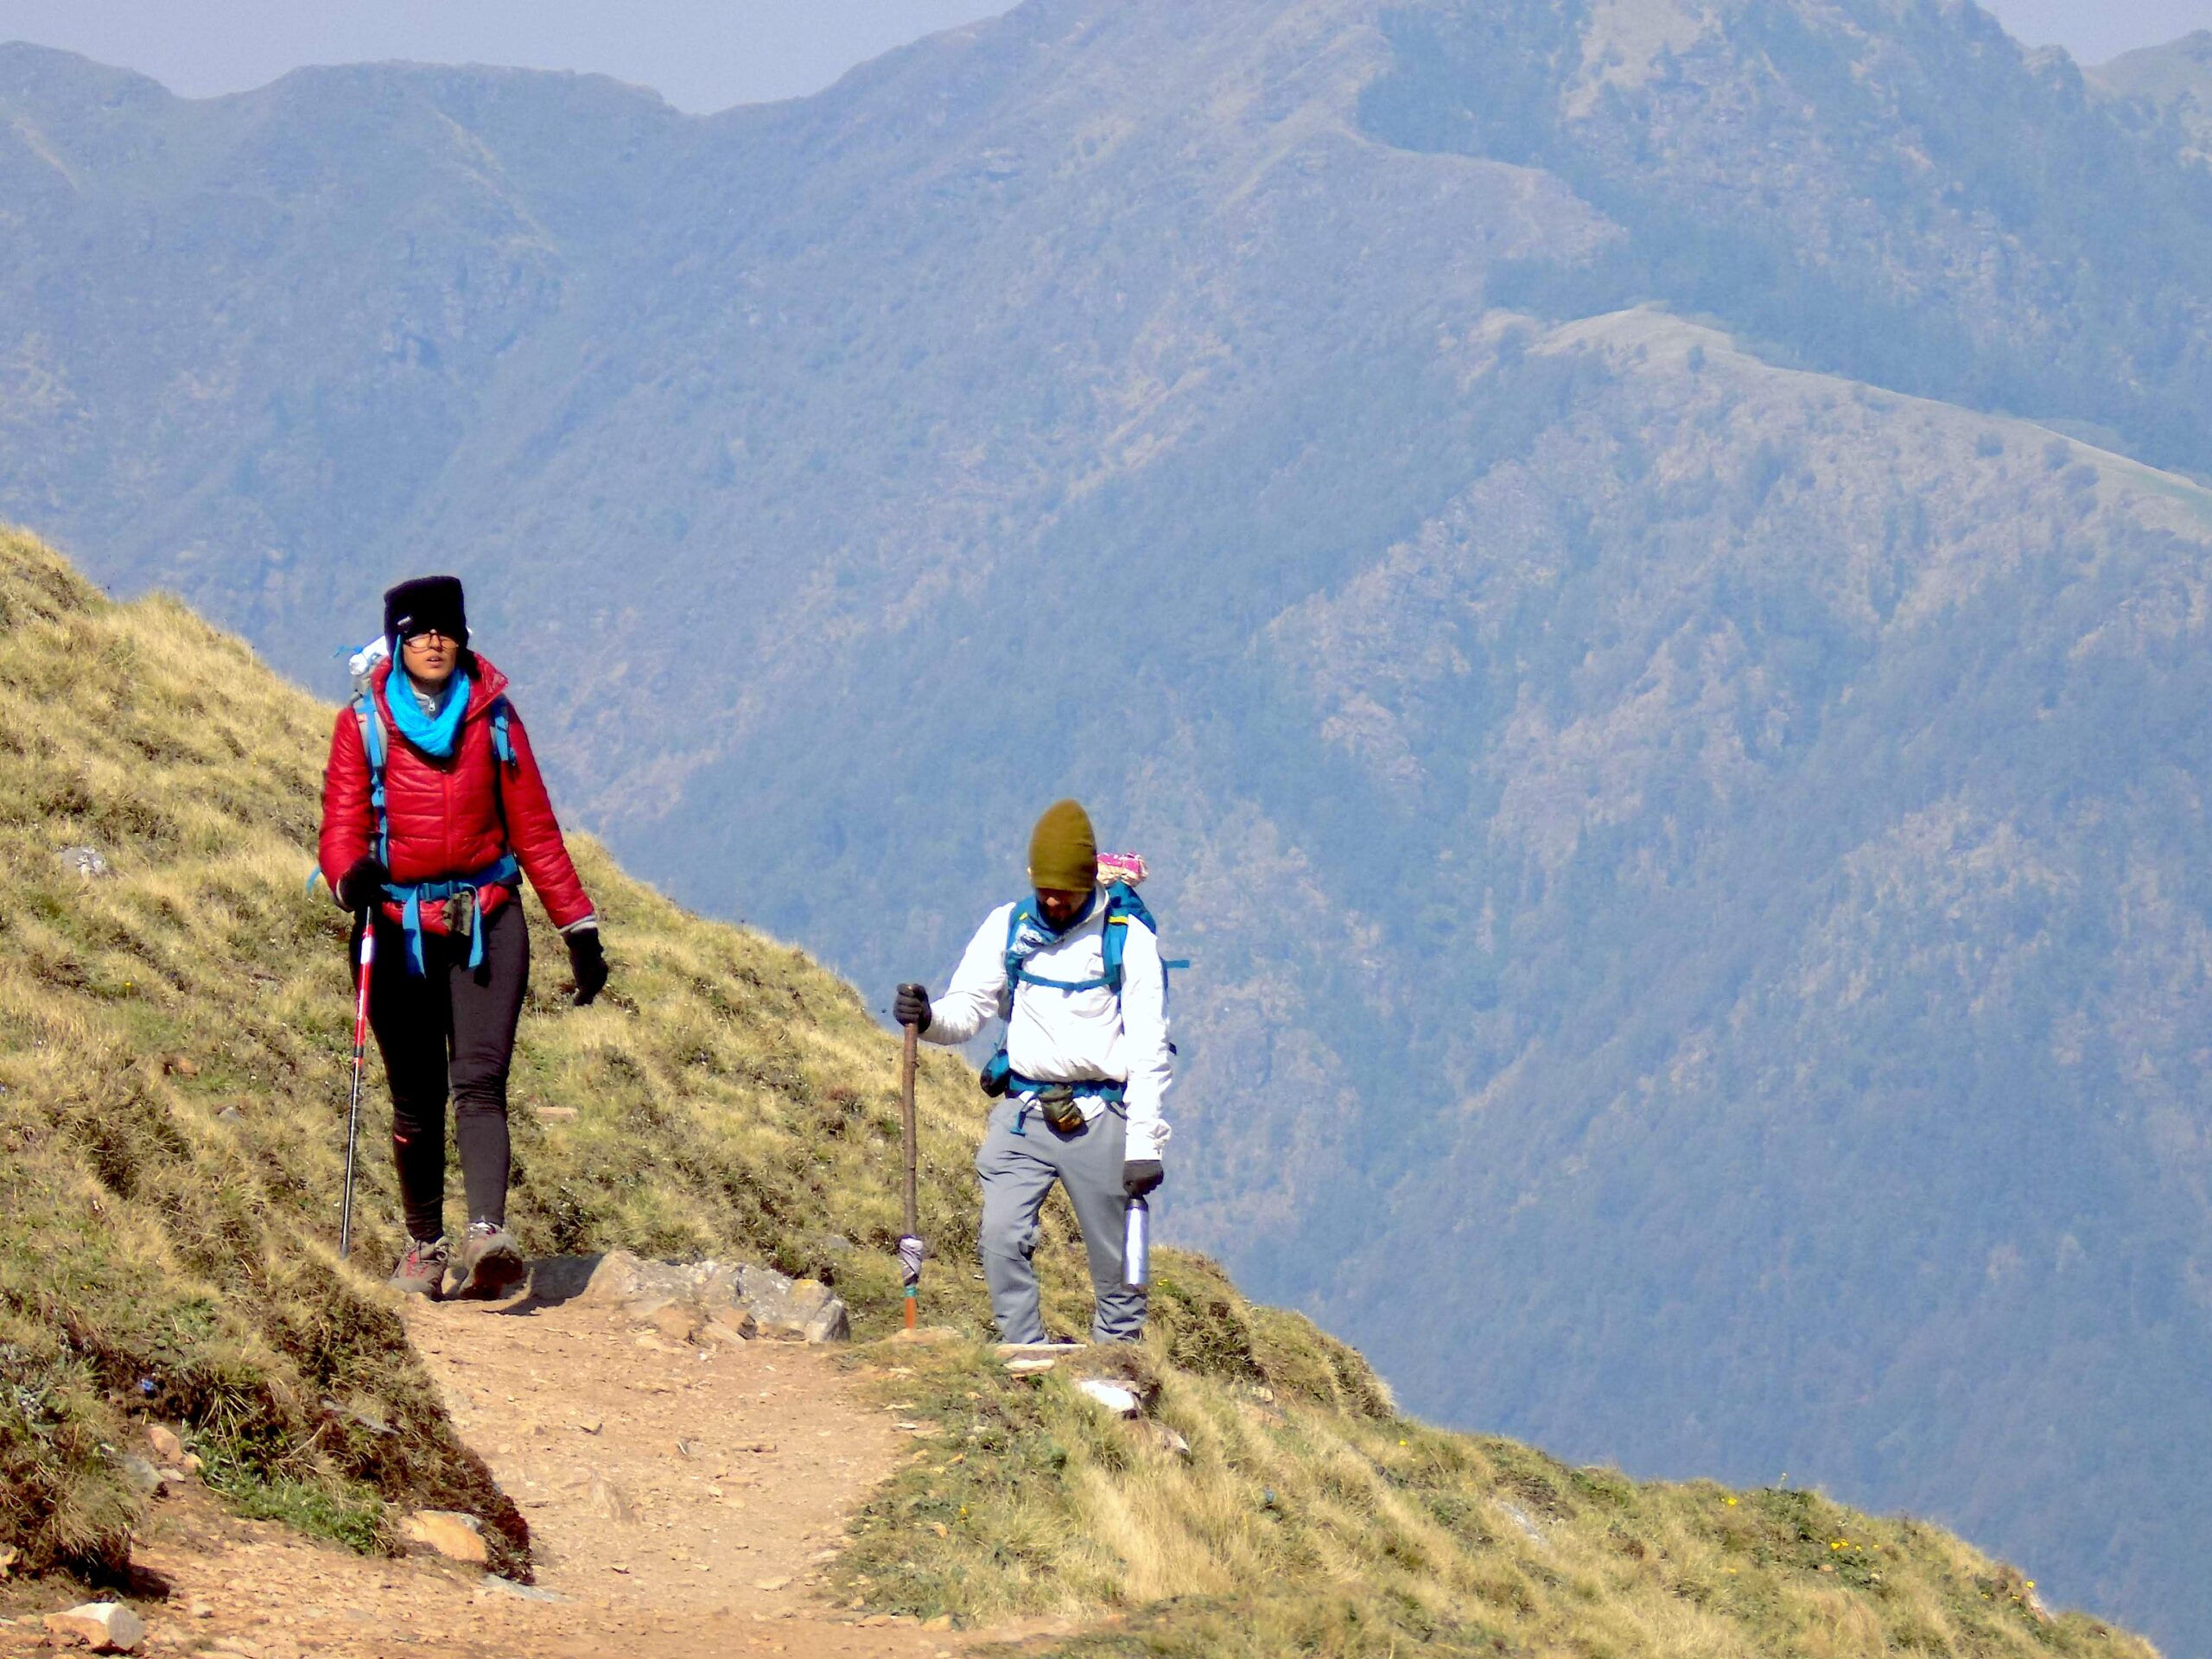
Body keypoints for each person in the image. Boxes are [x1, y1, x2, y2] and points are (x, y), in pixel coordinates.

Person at [317, 575, 607, 1300]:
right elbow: (342, 827)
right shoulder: (363, 725)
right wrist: (350, 877)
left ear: (463, 637)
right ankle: (424, 1248)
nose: (434, 642)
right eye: (419, 631)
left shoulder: (495, 720)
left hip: (488, 921)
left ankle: (486, 1236)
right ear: (398, 642)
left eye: (445, 630)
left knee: (479, 1082)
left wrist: (578, 929)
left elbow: (535, 830)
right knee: (415, 1097)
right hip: (398, 929)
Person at [895, 800, 1172, 1344]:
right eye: (1044, 888)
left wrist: (1145, 1145)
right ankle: (1024, 1352)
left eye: (1065, 891)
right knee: (1000, 1237)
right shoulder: (1008, 926)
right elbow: (969, 1008)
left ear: (1088, 880)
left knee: (1115, 1262)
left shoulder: (1128, 941)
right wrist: (928, 1019)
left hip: (1101, 1117)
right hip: (1023, 1115)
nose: (1052, 900)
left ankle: (1118, 1361)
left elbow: (1148, 1051)